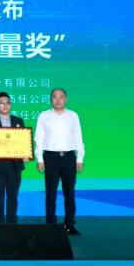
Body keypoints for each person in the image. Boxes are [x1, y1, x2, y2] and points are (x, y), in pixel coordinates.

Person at [35, 88, 85, 236]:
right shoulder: (44, 116)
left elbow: (78, 137)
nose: (58, 100)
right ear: (51, 99)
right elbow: (39, 138)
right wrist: (40, 159)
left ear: (66, 99)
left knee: (69, 193)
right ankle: (50, 224)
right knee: (50, 194)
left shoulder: (73, 116)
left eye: (61, 97)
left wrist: (80, 158)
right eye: (54, 97)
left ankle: (69, 224)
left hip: (69, 158)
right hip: (50, 158)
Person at [0, 91, 26, 225]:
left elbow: (23, 141)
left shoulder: (18, 121)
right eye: (1, 103)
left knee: (13, 197)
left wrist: (25, 153)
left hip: (15, 165)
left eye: (7, 102)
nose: (5, 105)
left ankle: (12, 225)